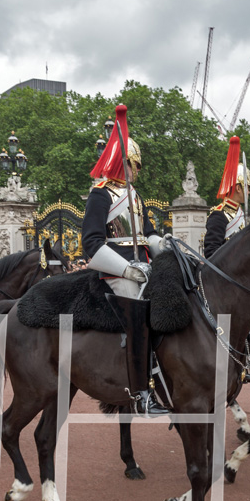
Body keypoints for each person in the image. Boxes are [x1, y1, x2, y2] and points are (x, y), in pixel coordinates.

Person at [81, 104, 168, 416]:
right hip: (117, 273)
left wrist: (166, 246)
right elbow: (90, 242)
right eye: (131, 165)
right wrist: (126, 269)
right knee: (138, 319)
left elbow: (148, 233)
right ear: (121, 163)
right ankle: (140, 392)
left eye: (136, 167)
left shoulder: (136, 197)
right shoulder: (100, 195)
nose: (135, 172)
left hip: (145, 268)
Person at [203, 136, 249, 259]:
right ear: (238, 188)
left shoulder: (240, 213)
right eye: (247, 188)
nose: (249, 192)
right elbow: (211, 252)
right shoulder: (219, 215)